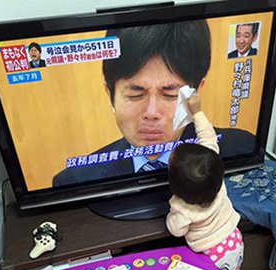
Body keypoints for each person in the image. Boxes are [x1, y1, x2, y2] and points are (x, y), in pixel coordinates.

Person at [52, 21, 256, 187]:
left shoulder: (242, 150)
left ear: (196, 92)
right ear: (110, 94)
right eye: (135, 94)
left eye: (170, 94)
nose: (151, 113)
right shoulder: (75, 180)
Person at [167, 93, 243, 270]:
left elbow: (176, 230)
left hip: (209, 256)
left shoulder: (183, 208)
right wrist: (197, 112)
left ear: (176, 187)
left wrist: (171, 214)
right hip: (234, 240)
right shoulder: (215, 178)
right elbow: (208, 137)